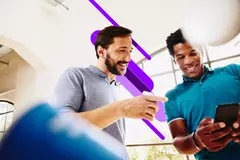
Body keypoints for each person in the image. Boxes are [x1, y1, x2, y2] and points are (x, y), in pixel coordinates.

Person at [48, 26, 168, 159]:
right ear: (101, 51)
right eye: (121, 50)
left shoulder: (115, 86)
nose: (128, 58)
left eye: (130, 51)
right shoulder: (75, 75)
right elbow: (60, 126)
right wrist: (122, 108)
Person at [164, 29, 240, 160]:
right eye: (181, 57)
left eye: (193, 53)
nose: (188, 61)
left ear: (202, 52)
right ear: (174, 61)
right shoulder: (172, 97)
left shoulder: (233, 71)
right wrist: (197, 140)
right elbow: (178, 142)